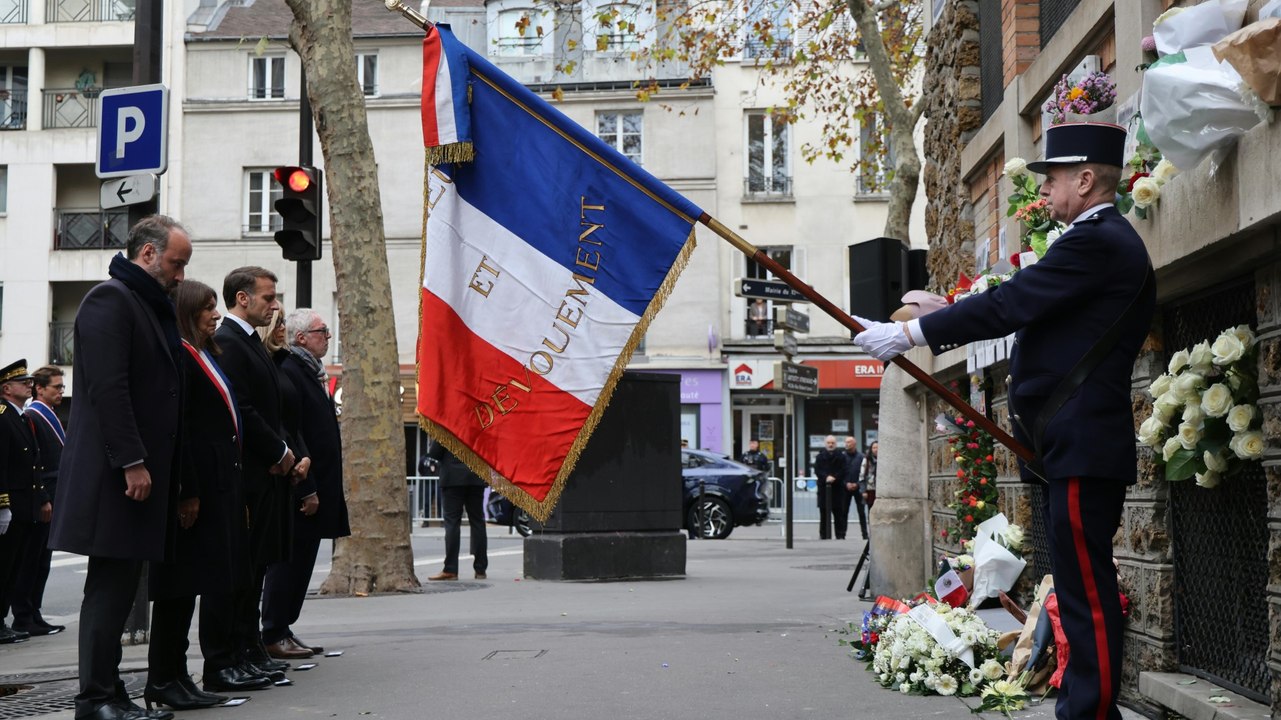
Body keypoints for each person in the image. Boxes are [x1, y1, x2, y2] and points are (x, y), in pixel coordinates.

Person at [853, 122, 1154, 720]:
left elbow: (1011, 303)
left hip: (1081, 446)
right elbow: (1025, 306)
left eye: (1055, 178)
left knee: (1087, 590)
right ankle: (1082, 703)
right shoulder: (1095, 241)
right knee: (1074, 586)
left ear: (1087, 180)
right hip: (1069, 445)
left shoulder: (1098, 241)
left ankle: (1091, 712)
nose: (1044, 192)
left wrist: (911, 333)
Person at [50, 214, 192, 720]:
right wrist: (132, 461)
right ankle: (95, 699)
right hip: (119, 474)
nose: (180, 276)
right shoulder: (111, 299)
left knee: (120, 584)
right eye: (176, 263)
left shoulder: (149, 305)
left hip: (137, 475)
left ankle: (112, 693)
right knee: (109, 589)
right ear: (148, 254)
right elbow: (109, 390)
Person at [145, 280, 251, 710]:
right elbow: (183, 429)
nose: (215, 314)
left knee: (193, 585)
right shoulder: (180, 356)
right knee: (179, 585)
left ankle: (177, 675)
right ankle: (162, 678)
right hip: (195, 488)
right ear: (188, 311)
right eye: (207, 308)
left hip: (217, 482)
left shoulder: (203, 353)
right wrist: (187, 490)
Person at [214, 267, 296, 688]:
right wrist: (279, 450)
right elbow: (242, 409)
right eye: (268, 298)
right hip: (248, 473)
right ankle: (231, 655)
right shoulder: (228, 340)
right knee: (240, 573)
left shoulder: (249, 342)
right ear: (242, 299)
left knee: (256, 569)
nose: (275, 305)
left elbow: (268, 407)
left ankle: (248, 650)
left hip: (265, 473)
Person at [264, 308, 351, 659]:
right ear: (302, 338)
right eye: (323, 331)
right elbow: (295, 431)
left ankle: (283, 627)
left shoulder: (308, 371)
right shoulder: (291, 370)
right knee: (290, 562)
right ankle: (273, 630)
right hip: (303, 485)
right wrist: (307, 487)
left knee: (302, 561)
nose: (328, 337)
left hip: (317, 482)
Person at [14, 365, 67, 636]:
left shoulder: (48, 414)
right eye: (56, 387)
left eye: (62, 387)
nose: (61, 391)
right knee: (31, 560)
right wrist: (44, 497)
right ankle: (24, 615)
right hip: (42, 496)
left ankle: (34, 612)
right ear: (40, 389)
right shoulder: (34, 416)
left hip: (53, 494)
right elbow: (34, 462)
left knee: (42, 561)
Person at [0, 360, 43, 645]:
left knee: (13, 567)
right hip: (11, 504)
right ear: (6, 388)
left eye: (29, 380)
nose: (29, 384)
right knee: (3, 567)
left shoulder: (20, 416)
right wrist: (3, 505)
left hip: (24, 505)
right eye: (22, 382)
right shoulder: (3, 416)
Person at [426, 442, 488, 581]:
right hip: (476, 475)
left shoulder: (448, 423)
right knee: (478, 522)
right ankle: (480, 569)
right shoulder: (481, 422)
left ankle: (451, 569)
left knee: (452, 523)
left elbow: (434, 452)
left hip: (452, 477)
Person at [812, 435, 847, 540]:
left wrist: (834, 477)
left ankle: (840, 535)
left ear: (836, 444)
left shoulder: (841, 456)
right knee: (824, 514)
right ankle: (824, 535)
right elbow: (818, 470)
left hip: (837, 489)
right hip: (824, 489)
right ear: (825, 443)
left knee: (839, 514)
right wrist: (826, 477)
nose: (830, 445)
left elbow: (844, 470)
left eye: (832, 443)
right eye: (828, 443)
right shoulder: (820, 457)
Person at [842, 437, 867, 540]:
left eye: (849, 442)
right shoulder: (842, 457)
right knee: (844, 512)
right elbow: (841, 472)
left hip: (858, 488)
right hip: (845, 488)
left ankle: (864, 534)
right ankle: (842, 534)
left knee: (861, 512)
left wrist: (857, 484)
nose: (847, 444)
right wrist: (846, 483)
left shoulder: (861, 457)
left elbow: (864, 473)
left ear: (854, 444)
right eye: (846, 442)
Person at [860, 441, 878, 509]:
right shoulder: (866, 459)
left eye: (877, 447)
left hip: (880, 489)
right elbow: (861, 475)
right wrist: (863, 491)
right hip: (870, 489)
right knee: (870, 509)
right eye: (874, 448)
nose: (876, 449)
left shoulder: (883, 460)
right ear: (871, 449)